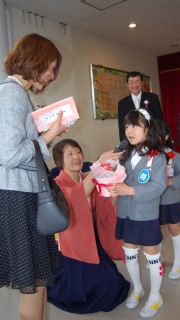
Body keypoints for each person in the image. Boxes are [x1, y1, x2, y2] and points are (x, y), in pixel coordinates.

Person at [0, 34, 70, 320]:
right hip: (17, 197)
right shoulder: (11, 93)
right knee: (32, 281)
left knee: (40, 278)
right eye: (50, 68)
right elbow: (8, 155)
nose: (52, 76)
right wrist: (48, 136)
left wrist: (43, 134)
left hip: (27, 194)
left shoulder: (20, 94)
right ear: (34, 60)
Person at [47, 139, 130, 313]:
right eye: (69, 154)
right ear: (59, 162)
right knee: (103, 287)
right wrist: (98, 166)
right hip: (73, 245)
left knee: (113, 282)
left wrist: (114, 187)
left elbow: (103, 204)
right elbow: (75, 197)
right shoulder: (57, 183)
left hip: (91, 239)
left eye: (78, 152)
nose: (76, 156)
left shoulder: (86, 177)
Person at [107, 109, 167, 318]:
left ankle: (155, 296)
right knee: (129, 252)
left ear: (148, 129)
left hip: (146, 214)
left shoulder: (157, 156)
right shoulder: (124, 154)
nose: (129, 131)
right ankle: (138, 288)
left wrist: (130, 190)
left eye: (135, 125)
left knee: (152, 256)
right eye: (126, 126)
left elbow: (159, 186)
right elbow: (116, 177)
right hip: (126, 212)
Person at [156, 121, 180, 280]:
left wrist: (170, 181)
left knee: (174, 229)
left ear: (167, 136)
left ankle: (178, 263)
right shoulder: (148, 157)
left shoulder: (174, 156)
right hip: (153, 201)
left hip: (170, 200)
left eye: (159, 134)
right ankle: (158, 258)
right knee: (156, 231)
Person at [118, 71, 164, 141]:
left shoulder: (153, 98)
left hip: (151, 139)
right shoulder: (122, 103)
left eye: (137, 81)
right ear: (127, 84)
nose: (134, 85)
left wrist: (161, 137)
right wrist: (124, 146)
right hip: (133, 142)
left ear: (142, 83)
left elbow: (159, 120)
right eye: (131, 82)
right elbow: (122, 127)